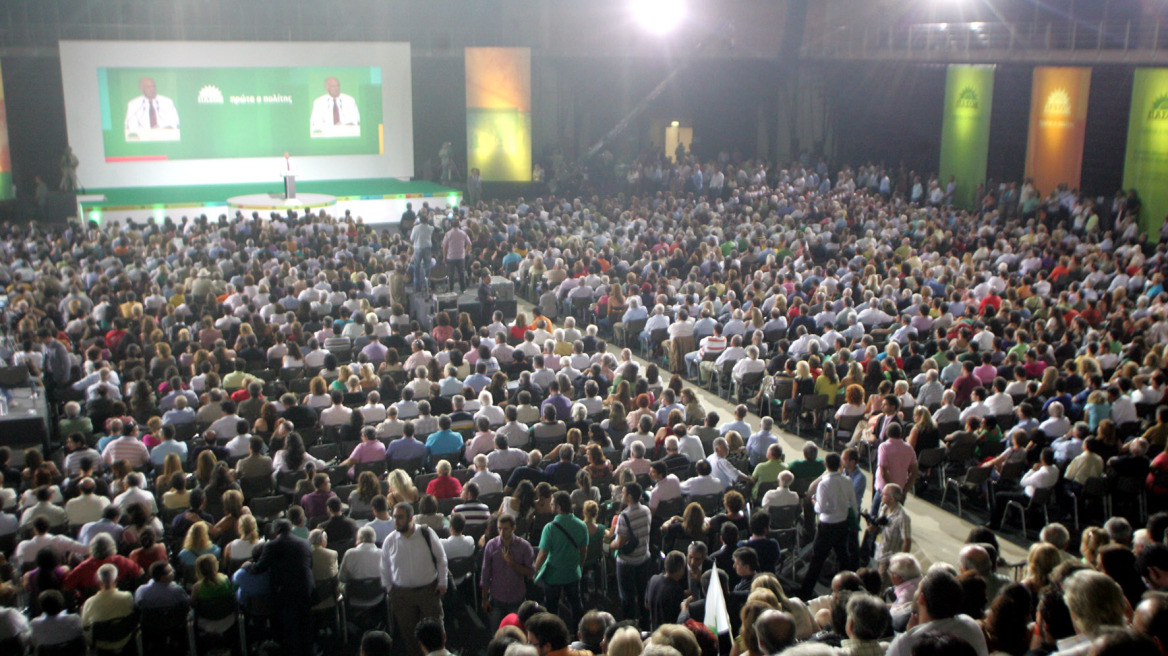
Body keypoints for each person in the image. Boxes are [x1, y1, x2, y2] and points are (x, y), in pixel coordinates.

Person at [380, 501, 448, 656]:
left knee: (435, 633)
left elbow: (441, 558)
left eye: (400, 517)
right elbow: (384, 569)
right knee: (409, 634)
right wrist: (391, 591)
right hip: (402, 595)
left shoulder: (426, 533)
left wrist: (443, 581)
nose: (396, 521)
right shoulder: (390, 541)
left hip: (428, 591)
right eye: (394, 517)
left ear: (410, 518)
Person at [883, 570, 988, 656]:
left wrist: (909, 635)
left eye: (918, 588)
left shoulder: (905, 643)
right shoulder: (971, 625)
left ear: (922, 598)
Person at [800, 452, 859, 599]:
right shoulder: (847, 481)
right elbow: (853, 503)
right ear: (840, 465)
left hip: (827, 526)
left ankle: (805, 593)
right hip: (842, 525)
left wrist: (814, 502)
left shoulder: (824, 483)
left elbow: (821, 509)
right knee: (843, 558)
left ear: (826, 466)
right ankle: (849, 588)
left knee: (817, 560)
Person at [251, 519, 314, 656]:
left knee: (290, 626)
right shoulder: (305, 542)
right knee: (305, 623)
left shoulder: (271, 546)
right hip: (306, 587)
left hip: (286, 591)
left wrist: (248, 566)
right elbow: (310, 565)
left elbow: (259, 568)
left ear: (275, 531)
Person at [535, 491, 588, 630]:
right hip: (572, 572)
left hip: (553, 575)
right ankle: (578, 633)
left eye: (552, 504)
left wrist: (534, 569)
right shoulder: (582, 525)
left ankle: (554, 633)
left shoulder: (550, 528)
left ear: (558, 507)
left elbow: (543, 554)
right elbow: (583, 551)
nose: (550, 506)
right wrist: (580, 566)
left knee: (551, 607)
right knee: (575, 604)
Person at [607, 482, 651, 628]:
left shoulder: (624, 516)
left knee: (627, 596)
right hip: (643, 557)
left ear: (630, 497)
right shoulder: (646, 510)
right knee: (642, 590)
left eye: (624, 492)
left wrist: (609, 545)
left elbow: (619, 543)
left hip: (627, 562)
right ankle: (645, 622)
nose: (621, 495)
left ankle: (629, 624)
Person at [481, 513, 536, 630]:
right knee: (496, 632)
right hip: (496, 597)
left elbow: (531, 572)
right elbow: (485, 574)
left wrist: (512, 564)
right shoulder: (491, 546)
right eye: (499, 529)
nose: (501, 533)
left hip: (516, 597)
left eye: (505, 529)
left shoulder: (524, 546)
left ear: (514, 528)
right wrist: (484, 599)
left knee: (517, 633)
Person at [81, 564, 136, 652]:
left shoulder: (89, 602)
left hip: (102, 643)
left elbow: (85, 625)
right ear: (116, 580)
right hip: (124, 638)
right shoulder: (128, 596)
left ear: (98, 581)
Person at [645, 550, 689, 631]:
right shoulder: (676, 590)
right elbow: (681, 617)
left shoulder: (653, 579)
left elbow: (647, 605)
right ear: (680, 569)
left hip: (654, 629)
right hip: (668, 633)